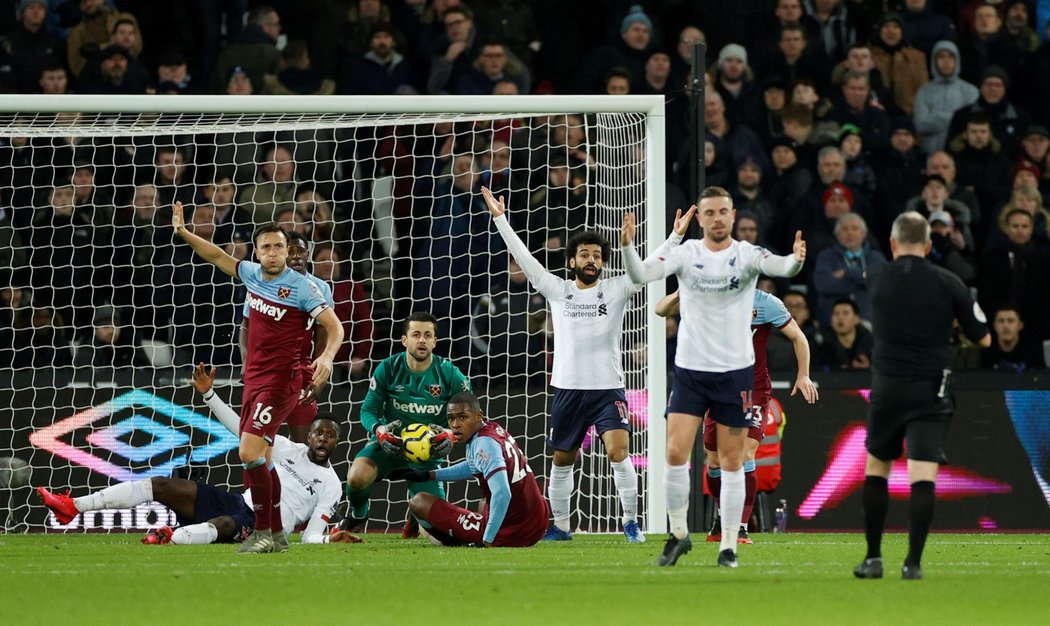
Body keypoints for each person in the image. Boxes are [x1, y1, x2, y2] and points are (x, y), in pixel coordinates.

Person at [481, 187, 692, 543]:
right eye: (584, 255)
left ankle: (631, 523)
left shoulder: (616, 288)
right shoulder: (556, 289)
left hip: (607, 387)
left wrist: (675, 237)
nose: (591, 260)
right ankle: (562, 526)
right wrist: (500, 218)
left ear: (604, 263)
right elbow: (524, 257)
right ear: (572, 262)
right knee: (563, 459)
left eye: (597, 255)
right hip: (566, 387)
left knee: (617, 451)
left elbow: (650, 270)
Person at [620, 186, 806, 567]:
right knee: (674, 453)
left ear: (732, 216)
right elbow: (641, 275)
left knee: (734, 460)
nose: (718, 218)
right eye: (710, 212)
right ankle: (677, 535)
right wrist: (626, 247)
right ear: (701, 218)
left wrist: (797, 260)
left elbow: (783, 267)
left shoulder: (748, 256)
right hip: (690, 371)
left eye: (724, 211)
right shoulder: (686, 254)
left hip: (737, 376)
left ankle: (729, 545)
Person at [172, 202, 344, 554]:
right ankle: (277, 535)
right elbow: (217, 256)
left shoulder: (302, 288)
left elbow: (334, 327)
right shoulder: (251, 275)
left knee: (248, 451)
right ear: (257, 252)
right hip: (254, 379)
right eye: (266, 247)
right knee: (263, 460)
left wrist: (325, 358)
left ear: (287, 251)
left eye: (279, 246)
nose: (273, 253)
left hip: (281, 382)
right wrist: (185, 233)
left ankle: (264, 532)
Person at [38, 364, 349, 546]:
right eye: (319, 432)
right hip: (240, 502)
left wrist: (328, 540)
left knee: (226, 524)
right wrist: (209, 395)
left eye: (330, 435)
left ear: (337, 442)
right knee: (162, 485)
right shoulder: (286, 448)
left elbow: (310, 537)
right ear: (310, 435)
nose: (323, 439)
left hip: (264, 527)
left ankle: (170, 537)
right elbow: (242, 430)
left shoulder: (331, 484)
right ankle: (73, 506)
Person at [854, 211, 990, 581]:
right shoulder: (949, 282)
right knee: (922, 474)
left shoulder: (877, 273)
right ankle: (912, 563)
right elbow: (984, 337)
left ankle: (873, 558)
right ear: (930, 246)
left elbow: (872, 277)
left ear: (894, 244)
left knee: (877, 467)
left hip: (887, 388)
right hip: (931, 389)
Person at [655, 288, 818, 543]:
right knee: (715, 460)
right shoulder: (709, 293)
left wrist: (803, 374)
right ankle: (722, 520)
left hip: (752, 389)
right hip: (715, 387)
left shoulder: (766, 303)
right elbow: (660, 310)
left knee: (745, 454)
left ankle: (740, 526)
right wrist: (680, 291)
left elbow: (798, 337)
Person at [334, 312, 466, 537]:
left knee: (437, 535)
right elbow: (368, 410)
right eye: (416, 334)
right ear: (405, 340)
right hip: (390, 444)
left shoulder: (450, 374)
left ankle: (417, 516)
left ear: (435, 341)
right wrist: (380, 430)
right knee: (356, 477)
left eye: (427, 335)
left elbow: (468, 413)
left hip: (427, 455)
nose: (422, 340)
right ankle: (358, 514)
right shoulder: (388, 368)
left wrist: (449, 435)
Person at [386, 392, 549, 547]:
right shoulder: (493, 430)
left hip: (514, 532)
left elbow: (503, 493)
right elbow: (474, 466)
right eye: (451, 418)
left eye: (463, 417)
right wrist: (429, 475)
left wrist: (487, 539)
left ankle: (452, 542)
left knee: (418, 502)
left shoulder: (484, 443)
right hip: (538, 520)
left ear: (478, 416)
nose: (455, 425)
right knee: (483, 504)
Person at [239, 231, 334, 444]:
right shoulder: (261, 282)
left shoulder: (320, 288)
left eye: (300, 251)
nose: (296, 256)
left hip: (299, 370)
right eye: (290, 251)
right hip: (263, 370)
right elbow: (245, 325)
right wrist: (246, 362)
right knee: (255, 444)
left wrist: (317, 373)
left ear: (308, 254)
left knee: (305, 442)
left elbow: (323, 336)